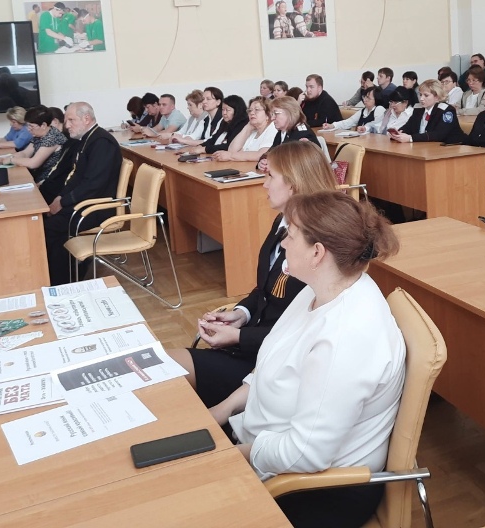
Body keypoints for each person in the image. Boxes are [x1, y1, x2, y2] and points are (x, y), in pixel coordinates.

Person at [210, 191, 404, 528]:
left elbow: (305, 454)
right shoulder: (320, 289)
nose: (283, 242)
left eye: (291, 234)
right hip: (265, 451)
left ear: (317, 253)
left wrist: (224, 459)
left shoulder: (345, 338)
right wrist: (222, 410)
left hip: (314, 490)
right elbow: (272, 363)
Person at [168, 141, 336, 407]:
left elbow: (302, 330)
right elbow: (265, 288)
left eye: (270, 176)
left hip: (272, 365)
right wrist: (241, 314)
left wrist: (238, 337)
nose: (264, 184)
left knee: (165, 372)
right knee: (162, 371)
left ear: (293, 184)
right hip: (254, 343)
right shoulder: (283, 223)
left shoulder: (315, 247)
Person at [43, 102, 122, 286]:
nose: (67, 125)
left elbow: (93, 184)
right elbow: (76, 177)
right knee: (47, 221)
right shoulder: (85, 140)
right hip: (85, 202)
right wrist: (60, 198)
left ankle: (63, 283)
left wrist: (63, 202)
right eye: (66, 121)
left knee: (51, 228)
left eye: (71, 120)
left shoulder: (102, 142)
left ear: (86, 119)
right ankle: (65, 273)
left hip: (97, 208)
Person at [7, 106, 67, 183]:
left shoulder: (52, 138)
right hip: (36, 176)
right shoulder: (39, 134)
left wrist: (11, 160)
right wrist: (5, 159)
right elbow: (25, 153)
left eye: (31, 126)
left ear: (43, 125)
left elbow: (33, 163)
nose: (28, 129)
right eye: (28, 125)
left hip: (47, 180)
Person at [391, 79, 460, 142]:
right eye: (420, 95)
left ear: (437, 97)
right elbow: (408, 127)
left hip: (450, 147)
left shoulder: (446, 110)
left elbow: (438, 134)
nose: (421, 98)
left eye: (426, 95)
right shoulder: (418, 109)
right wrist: (398, 134)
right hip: (425, 147)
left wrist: (411, 138)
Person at [214, 97, 276, 162]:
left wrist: (230, 155)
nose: (252, 113)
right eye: (250, 110)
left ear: (268, 114)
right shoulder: (253, 131)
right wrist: (247, 128)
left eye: (257, 110)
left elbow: (262, 155)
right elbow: (232, 150)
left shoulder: (272, 128)